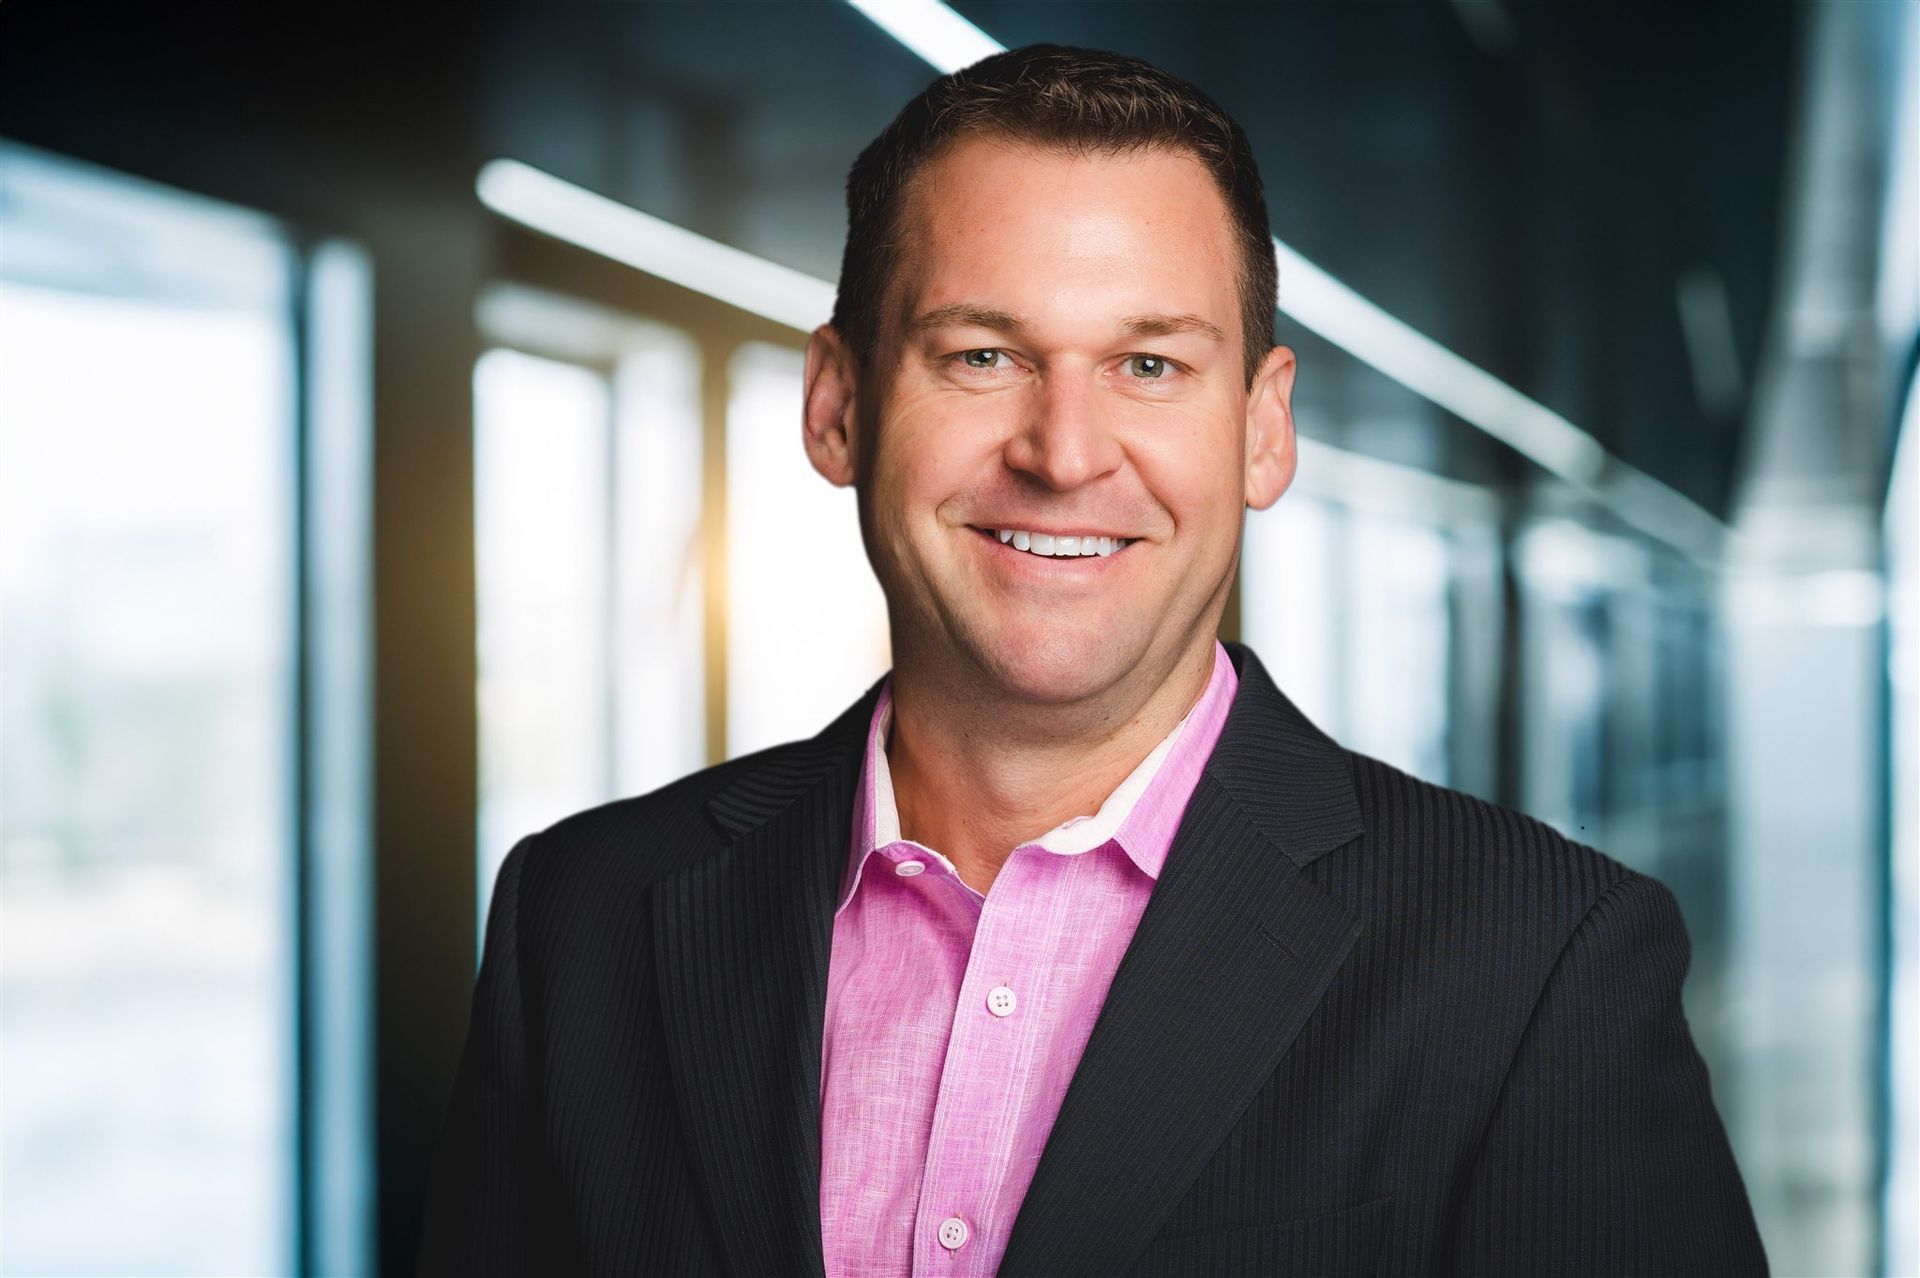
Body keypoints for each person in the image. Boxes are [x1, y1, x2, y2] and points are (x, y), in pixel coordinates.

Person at [418, 44, 1766, 1277]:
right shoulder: (582, 920)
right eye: (983, 353)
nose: (1064, 453)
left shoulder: (1535, 963)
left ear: (1263, 431)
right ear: (838, 404)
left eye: (1149, 366)